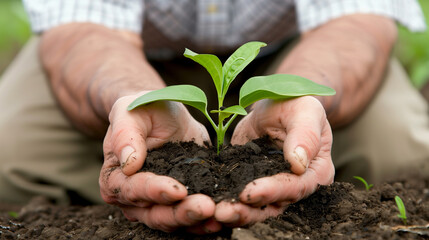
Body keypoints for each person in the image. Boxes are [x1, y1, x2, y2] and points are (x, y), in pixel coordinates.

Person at [1, 0, 428, 234]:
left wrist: (296, 92)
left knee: (400, 154)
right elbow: (84, 29)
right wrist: (134, 99)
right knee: (8, 156)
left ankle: (310, 186)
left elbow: (355, 21)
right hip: (120, 59)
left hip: (301, 54)